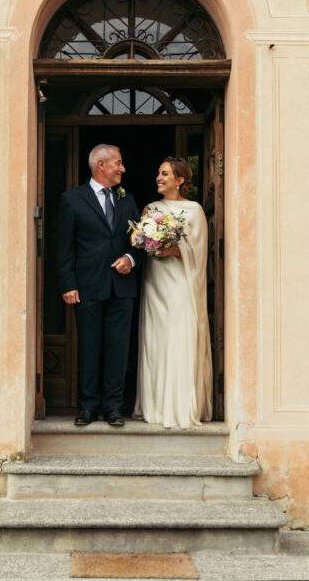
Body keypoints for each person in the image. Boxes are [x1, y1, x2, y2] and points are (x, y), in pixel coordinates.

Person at [57, 144, 145, 427]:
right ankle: (87, 407)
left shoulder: (127, 200)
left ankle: (113, 408)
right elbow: (63, 247)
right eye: (118, 163)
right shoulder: (72, 200)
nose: (123, 169)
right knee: (90, 347)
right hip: (87, 287)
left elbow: (141, 242)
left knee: (118, 348)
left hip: (122, 287)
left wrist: (131, 258)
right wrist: (68, 284)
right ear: (101, 166)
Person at [134, 157, 213, 429]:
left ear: (180, 180)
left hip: (181, 283)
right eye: (158, 172)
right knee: (156, 340)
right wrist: (149, 243)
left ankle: (180, 406)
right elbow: (139, 243)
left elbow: (200, 250)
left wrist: (174, 249)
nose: (159, 177)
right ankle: (155, 405)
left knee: (179, 337)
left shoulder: (194, 210)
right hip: (155, 283)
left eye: (165, 173)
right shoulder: (150, 209)